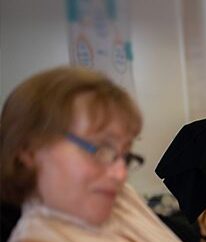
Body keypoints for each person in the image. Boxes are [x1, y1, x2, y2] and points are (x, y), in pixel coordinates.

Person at [0, 67, 181, 242]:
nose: (121, 175)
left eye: (125, 156)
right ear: (30, 150)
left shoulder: (120, 198)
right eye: (101, 149)